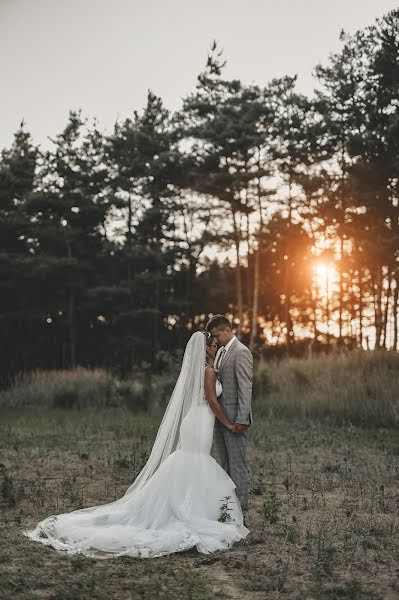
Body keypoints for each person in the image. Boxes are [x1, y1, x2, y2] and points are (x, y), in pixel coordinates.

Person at [22, 331, 249, 559]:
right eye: (211, 346)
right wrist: (229, 424)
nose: (214, 349)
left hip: (197, 420)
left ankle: (185, 507)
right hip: (201, 422)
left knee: (193, 461)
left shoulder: (203, 371)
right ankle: (189, 511)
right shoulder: (208, 371)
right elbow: (211, 401)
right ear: (205, 350)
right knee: (196, 460)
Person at [206, 315, 253, 520]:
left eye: (217, 335)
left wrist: (242, 419)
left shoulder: (241, 352)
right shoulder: (220, 353)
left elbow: (245, 387)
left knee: (237, 464)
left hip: (235, 421)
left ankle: (241, 509)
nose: (215, 340)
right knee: (223, 464)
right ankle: (227, 506)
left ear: (227, 330)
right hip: (219, 418)